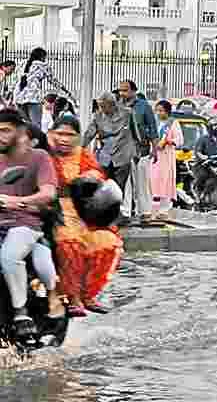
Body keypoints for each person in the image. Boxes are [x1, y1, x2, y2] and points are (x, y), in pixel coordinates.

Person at [46, 114, 123, 317]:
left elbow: (97, 174)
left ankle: (89, 296)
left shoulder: (83, 154)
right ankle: (73, 298)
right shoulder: (42, 153)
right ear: (51, 133)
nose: (64, 139)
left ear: (78, 137)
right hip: (52, 209)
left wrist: (91, 178)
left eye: (69, 135)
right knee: (70, 243)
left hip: (83, 210)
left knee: (108, 242)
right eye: (60, 134)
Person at [0, 110, 62, 334]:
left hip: (26, 225)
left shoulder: (40, 158)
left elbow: (49, 195)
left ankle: (21, 311)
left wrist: (18, 202)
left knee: (11, 257)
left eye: (6, 130)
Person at [84, 92, 136, 223]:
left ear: (112, 105)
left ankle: (117, 214)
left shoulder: (127, 113)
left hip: (122, 154)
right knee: (104, 186)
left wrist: (137, 151)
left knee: (119, 187)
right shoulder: (98, 117)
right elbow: (89, 134)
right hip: (105, 155)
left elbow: (136, 132)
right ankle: (105, 214)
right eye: (100, 106)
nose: (102, 109)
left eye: (104, 106)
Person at [116, 80, 158, 222]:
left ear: (134, 91)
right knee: (125, 182)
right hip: (123, 150)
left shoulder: (144, 106)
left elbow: (152, 128)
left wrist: (155, 148)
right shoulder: (118, 106)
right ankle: (126, 211)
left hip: (142, 149)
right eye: (120, 90)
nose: (122, 93)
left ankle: (145, 211)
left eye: (125, 90)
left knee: (142, 181)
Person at [150, 100, 182, 215]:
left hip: (167, 156)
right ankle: (152, 207)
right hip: (154, 155)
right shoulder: (154, 122)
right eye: (157, 110)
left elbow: (179, 141)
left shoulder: (173, 123)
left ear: (167, 112)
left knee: (166, 180)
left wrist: (168, 141)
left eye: (161, 111)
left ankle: (165, 208)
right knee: (153, 180)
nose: (158, 113)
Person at [13, 48, 60, 126]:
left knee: (27, 126)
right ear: (42, 57)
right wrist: (65, 91)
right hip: (33, 98)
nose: (45, 59)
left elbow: (15, 80)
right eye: (45, 57)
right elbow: (53, 81)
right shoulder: (43, 65)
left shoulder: (22, 63)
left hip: (18, 98)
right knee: (36, 127)